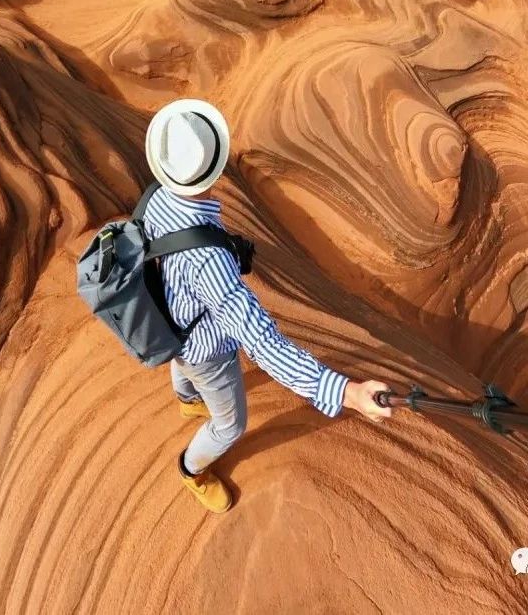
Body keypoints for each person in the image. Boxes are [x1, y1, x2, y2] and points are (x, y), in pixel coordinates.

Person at [141, 98, 393, 513]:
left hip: (170, 319)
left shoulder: (156, 198)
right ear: (212, 170)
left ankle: (186, 400)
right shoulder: (209, 262)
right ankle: (191, 470)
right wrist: (345, 392)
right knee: (229, 425)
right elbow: (263, 344)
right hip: (207, 351)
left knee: (181, 361)